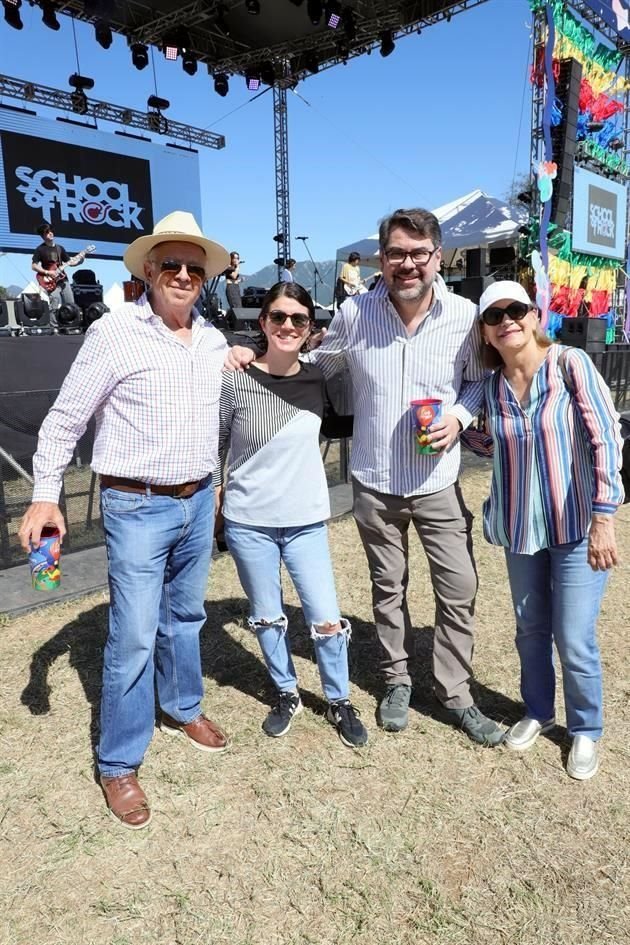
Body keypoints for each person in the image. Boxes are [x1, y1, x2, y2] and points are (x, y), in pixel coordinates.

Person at [226, 208, 504, 747]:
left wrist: (460, 418)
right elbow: (314, 362)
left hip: (438, 479)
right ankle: (396, 680)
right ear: (382, 257)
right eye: (397, 253)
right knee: (387, 588)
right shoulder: (355, 313)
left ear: (437, 257)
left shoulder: (465, 315)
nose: (408, 264)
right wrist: (251, 354)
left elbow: (475, 382)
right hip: (374, 480)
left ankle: (456, 693)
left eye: (419, 253)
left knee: (458, 587)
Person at [18, 211, 231, 829]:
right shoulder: (114, 333)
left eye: (195, 267)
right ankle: (118, 762)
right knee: (135, 634)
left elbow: (209, 421)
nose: (184, 276)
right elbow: (62, 421)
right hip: (135, 504)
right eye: (172, 264)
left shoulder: (212, 338)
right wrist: (44, 496)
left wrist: (212, 487)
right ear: (147, 269)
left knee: (185, 617)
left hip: (196, 501)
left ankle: (182, 704)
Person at [479, 281, 624, 780]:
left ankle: (585, 729)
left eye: (515, 310)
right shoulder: (493, 386)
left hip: (579, 526)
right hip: (522, 530)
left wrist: (605, 518)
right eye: (494, 315)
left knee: (573, 636)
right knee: (530, 631)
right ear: (486, 332)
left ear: (535, 316)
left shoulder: (569, 365)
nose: (506, 321)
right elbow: (489, 444)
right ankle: (538, 711)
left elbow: (606, 438)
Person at [216, 281, 367, 748]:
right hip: (248, 522)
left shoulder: (319, 378)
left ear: (309, 328)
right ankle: (286, 692)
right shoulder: (232, 376)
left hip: (305, 522)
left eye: (298, 319)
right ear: (262, 322)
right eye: (278, 317)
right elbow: (213, 444)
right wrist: (217, 501)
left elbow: (355, 415)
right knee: (266, 615)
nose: (287, 326)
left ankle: (338, 698)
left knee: (324, 617)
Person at [31, 223, 86, 329]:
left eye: (51, 230)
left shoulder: (60, 248)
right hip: (50, 281)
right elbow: (33, 266)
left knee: (71, 303)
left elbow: (70, 262)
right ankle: (54, 327)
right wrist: (48, 272)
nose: (50, 233)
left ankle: (71, 326)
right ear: (43, 236)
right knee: (54, 302)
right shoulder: (40, 249)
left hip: (63, 279)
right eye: (47, 232)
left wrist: (80, 260)